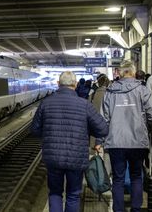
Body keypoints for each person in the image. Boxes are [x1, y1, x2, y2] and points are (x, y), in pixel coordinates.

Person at [32, 71, 108, 212]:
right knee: (73, 195)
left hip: (53, 157)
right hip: (76, 157)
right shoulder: (84, 104)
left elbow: (35, 130)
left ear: (58, 84)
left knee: (55, 193)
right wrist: (86, 131)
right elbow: (103, 129)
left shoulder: (46, 103)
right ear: (75, 84)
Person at [97, 60, 152, 212]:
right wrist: (146, 131)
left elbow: (103, 119)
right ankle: (136, 209)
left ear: (120, 73)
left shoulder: (110, 92)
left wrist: (99, 140)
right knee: (137, 176)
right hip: (138, 142)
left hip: (115, 142)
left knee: (118, 179)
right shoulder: (143, 91)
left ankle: (118, 210)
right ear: (134, 72)